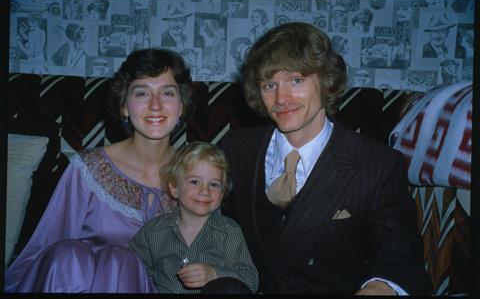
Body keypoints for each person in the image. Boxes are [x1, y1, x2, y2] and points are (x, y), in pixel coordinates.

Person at [220, 22, 432, 295]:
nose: (281, 98)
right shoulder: (235, 148)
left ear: (325, 80)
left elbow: (400, 253)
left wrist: (379, 288)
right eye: (269, 84)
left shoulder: (376, 163)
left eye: (296, 80)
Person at [4, 48, 195, 293]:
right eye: (141, 93)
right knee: (66, 254)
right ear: (124, 107)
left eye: (167, 93)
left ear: (181, 106)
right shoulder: (87, 168)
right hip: (74, 282)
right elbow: (46, 247)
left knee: (121, 261)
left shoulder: (198, 177)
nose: (155, 105)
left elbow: (209, 253)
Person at [129, 142, 258, 294]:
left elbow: (250, 280)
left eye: (214, 184)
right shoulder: (153, 231)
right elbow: (131, 271)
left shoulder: (229, 232)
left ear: (222, 194)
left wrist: (215, 274)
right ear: (175, 188)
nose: (205, 191)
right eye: (195, 182)